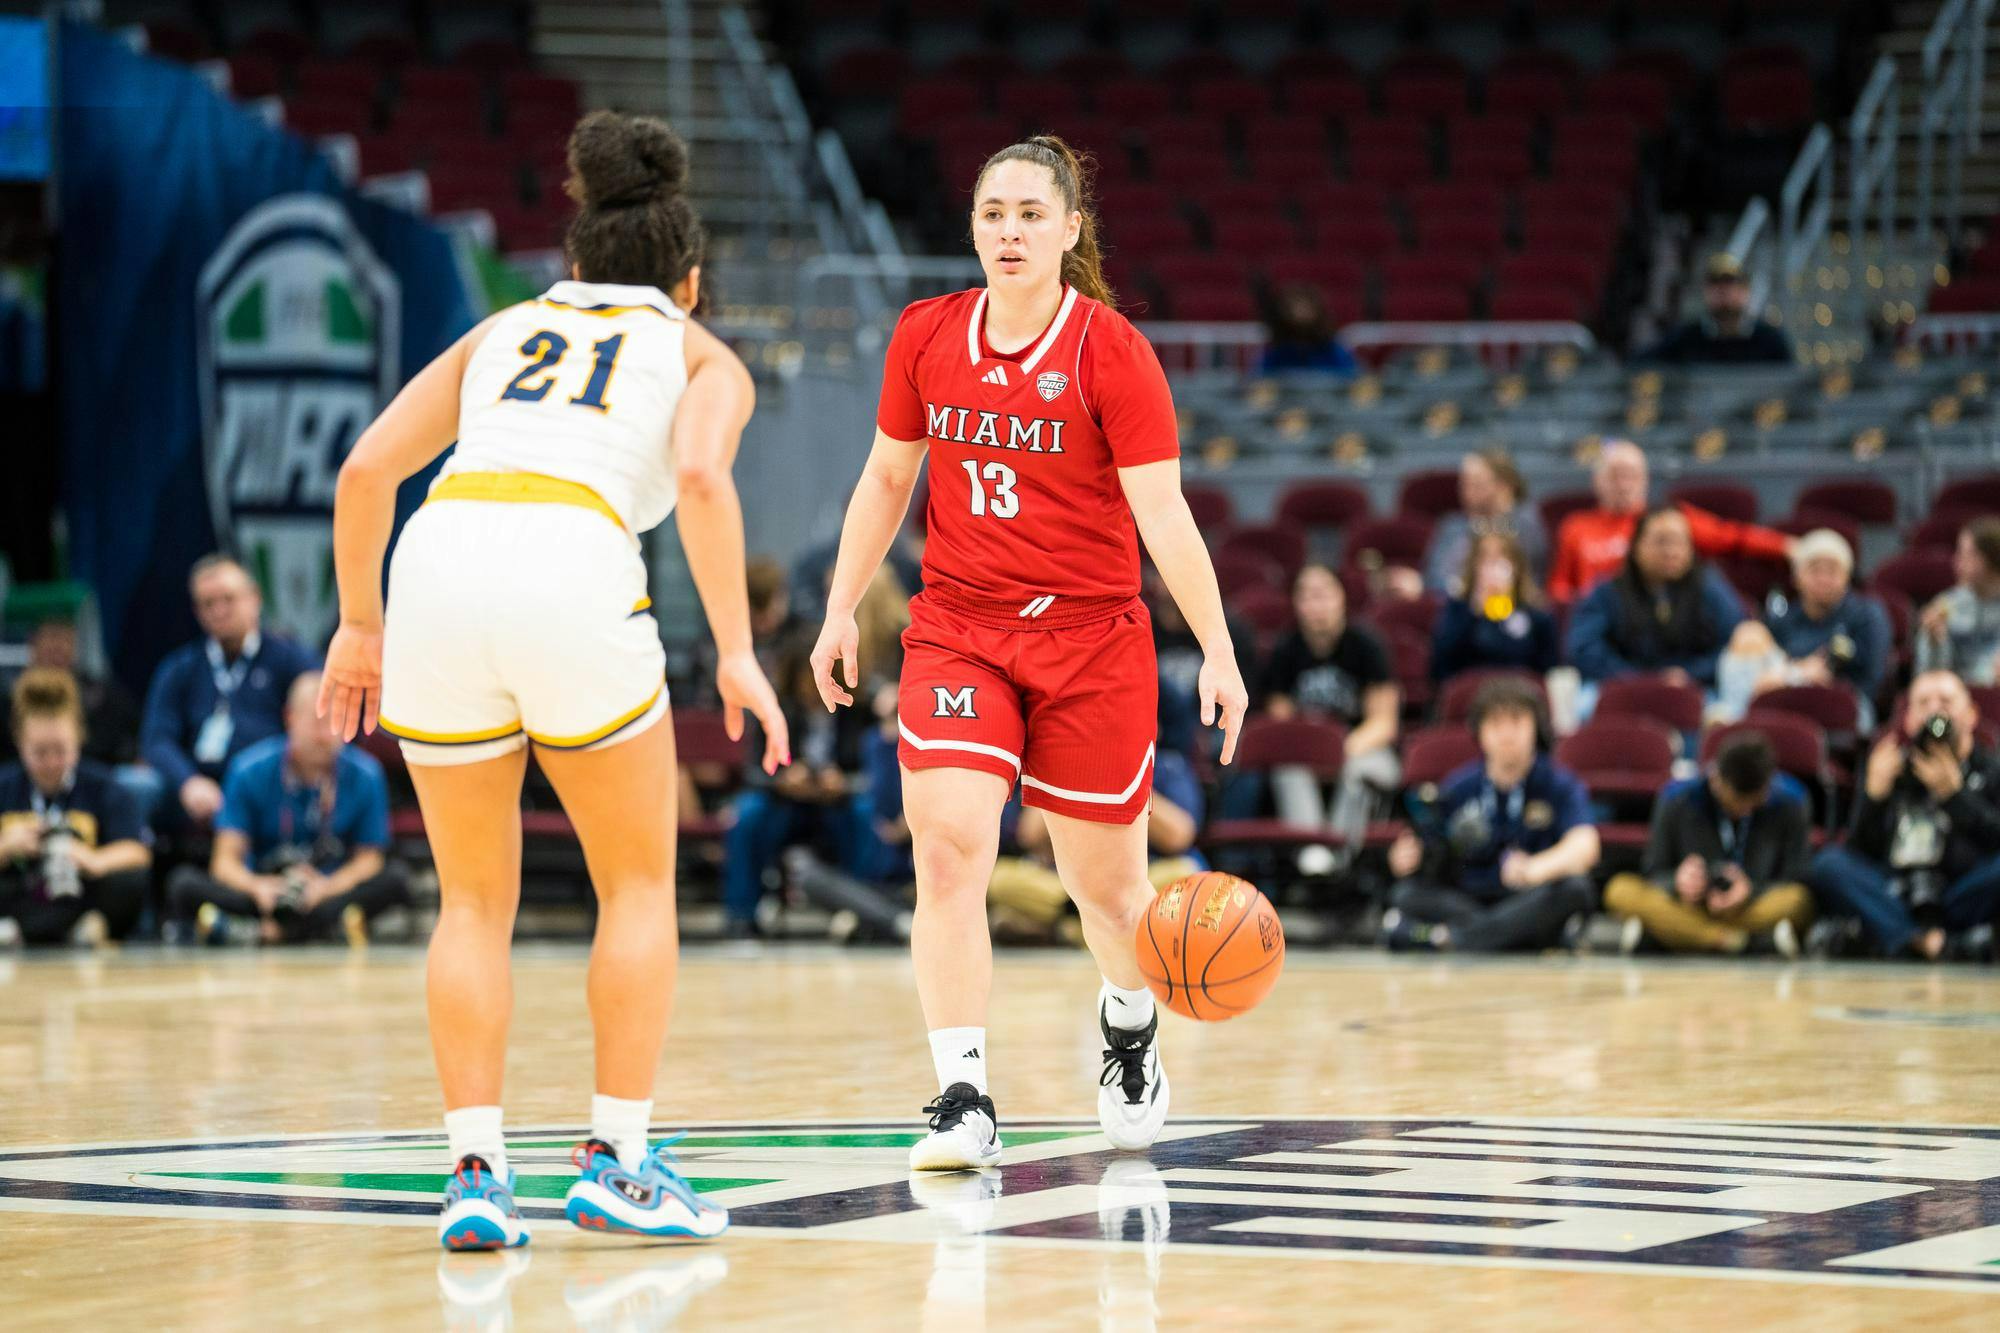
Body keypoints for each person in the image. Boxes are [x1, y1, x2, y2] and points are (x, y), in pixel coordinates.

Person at [317, 112, 788, 1250]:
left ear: (574, 265)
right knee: (633, 887)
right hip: (572, 563)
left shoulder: (502, 329)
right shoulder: (695, 351)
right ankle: (618, 1158)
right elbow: (698, 478)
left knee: (473, 900)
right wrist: (732, 650)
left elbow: (367, 467)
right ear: (688, 281)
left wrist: (357, 626)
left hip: (438, 560)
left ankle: (475, 1173)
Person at [806, 134, 1249, 1172]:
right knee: (947, 849)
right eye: (991, 213)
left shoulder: (1111, 352)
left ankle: (1129, 1025)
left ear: (1067, 230)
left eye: (1027, 214)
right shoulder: (925, 335)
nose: (1007, 231)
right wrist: (838, 609)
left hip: (1091, 639)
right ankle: (962, 1093)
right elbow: (883, 481)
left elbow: (1163, 514)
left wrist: (1219, 649)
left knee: (1107, 895)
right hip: (961, 628)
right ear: (972, 229)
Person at [166, 672, 409, 946]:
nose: (326, 733)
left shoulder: (365, 774)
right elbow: (224, 861)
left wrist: (326, 888)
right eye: (318, 721)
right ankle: (315, 927)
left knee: (397, 879)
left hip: (326, 888)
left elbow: (369, 860)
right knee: (183, 884)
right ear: (290, 717)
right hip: (264, 887)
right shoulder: (249, 770)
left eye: (337, 720)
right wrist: (258, 887)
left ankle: (263, 931)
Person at [1380, 675, 1600, 952]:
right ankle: (1517, 941)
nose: (1507, 734)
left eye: (1517, 722)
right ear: (1480, 732)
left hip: (1526, 894)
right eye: (1496, 724)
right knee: (1406, 894)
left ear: (1537, 728)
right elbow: (1432, 849)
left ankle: (1449, 939)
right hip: (1471, 896)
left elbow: (1586, 845)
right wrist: (1405, 857)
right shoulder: (1459, 786)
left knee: (1576, 889)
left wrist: (1536, 868)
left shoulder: (1558, 783)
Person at [1805, 670, 2000, 960]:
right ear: (1908, 719)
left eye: (1945, 701)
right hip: (1896, 891)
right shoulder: (1888, 765)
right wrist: (1873, 797)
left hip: (1962, 891)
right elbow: (1858, 850)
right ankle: (1929, 942)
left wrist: (1956, 797)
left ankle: (1894, 938)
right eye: (1923, 703)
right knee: (1828, 865)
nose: (1935, 711)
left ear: (1971, 714)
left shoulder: (1991, 768)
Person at [135, 555, 318, 829]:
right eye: (208, 603)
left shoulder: (290, 659)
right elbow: (157, 739)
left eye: (228, 599)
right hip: (198, 783)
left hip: (269, 783)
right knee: (135, 786)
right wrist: (187, 782)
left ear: (255, 598)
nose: (219, 611)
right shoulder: (180, 668)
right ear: (197, 611)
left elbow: (319, 720)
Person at [1602, 731, 1814, 955]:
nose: (1743, 811)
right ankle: (1742, 941)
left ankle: (1679, 936)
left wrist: (1751, 890)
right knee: (1619, 890)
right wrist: (1678, 880)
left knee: (1799, 900)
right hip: (1691, 905)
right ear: (1716, 780)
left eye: (1753, 805)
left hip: (1750, 905)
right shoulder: (1676, 797)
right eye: (1736, 803)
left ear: (1766, 790)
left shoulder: (1791, 801)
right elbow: (1654, 870)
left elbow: (1796, 876)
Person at [0, 669, 150, 947]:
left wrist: (92, 860)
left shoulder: (105, 786)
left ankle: (77, 927)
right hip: (20, 892)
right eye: (40, 752)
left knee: (130, 882)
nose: (51, 762)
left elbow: (137, 852)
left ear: (79, 738)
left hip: (79, 893)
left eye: (60, 750)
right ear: (20, 743)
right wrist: (6, 846)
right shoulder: (5, 785)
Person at [1253, 563, 1400, 844]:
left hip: (1360, 747)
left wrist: (1340, 750)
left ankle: (1338, 854)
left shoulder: (1367, 646)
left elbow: (1384, 723)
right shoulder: (1284, 651)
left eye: (1322, 594)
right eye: (1305, 596)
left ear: (1341, 597)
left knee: (1360, 772)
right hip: (1305, 751)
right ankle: (1312, 853)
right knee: (1288, 768)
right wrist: (1316, 752)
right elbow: (1281, 722)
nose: (1315, 604)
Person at [1546, 440, 1792, 601]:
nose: (1623, 485)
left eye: (1631, 476)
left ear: (1645, 480)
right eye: (1614, 476)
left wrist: (1789, 546)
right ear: (1597, 481)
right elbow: (1560, 588)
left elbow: (1732, 536)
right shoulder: (1576, 527)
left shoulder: (1668, 521)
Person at [1567, 505, 1746, 695]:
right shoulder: (1607, 592)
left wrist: (1691, 674)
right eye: (1661, 541)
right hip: (1621, 690)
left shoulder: (1710, 589)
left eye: (1680, 542)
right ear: (1636, 546)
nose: (1671, 551)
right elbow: (1584, 649)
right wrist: (1638, 680)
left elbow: (1736, 643)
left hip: (1698, 689)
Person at [1719, 528, 1890, 724]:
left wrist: (1805, 676)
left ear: (1847, 576)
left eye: (1833, 570)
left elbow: (1872, 679)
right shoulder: (1784, 619)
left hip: (1847, 704)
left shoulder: (1866, 615)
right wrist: (1799, 672)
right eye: (1815, 569)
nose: (1824, 578)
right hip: (1785, 699)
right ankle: (1734, 720)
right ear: (1797, 577)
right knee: (1749, 633)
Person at [0, 617, 140, 768]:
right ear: (33, 643)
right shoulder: (8, 696)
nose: (58, 647)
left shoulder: (100, 694)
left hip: (93, 776)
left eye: (65, 638)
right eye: (52, 637)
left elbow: (130, 738)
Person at [1429, 532, 1560, 684]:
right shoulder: (1458, 609)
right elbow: (1440, 666)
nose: (1493, 570)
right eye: (1486, 561)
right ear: (1474, 567)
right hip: (1470, 692)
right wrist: (1475, 611)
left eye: (1501, 560)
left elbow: (1548, 668)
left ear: (1516, 567)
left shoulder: (1536, 613)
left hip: (1520, 693)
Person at [1420, 448, 1548, 597]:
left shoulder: (1525, 526)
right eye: (1463, 483)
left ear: (1504, 486)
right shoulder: (1452, 525)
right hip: (1453, 604)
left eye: (1476, 483)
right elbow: (1432, 577)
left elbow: (1527, 581)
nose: (1465, 490)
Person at [1636, 252, 1793, 365]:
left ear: (1746, 291)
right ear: (1706, 291)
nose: (1723, 290)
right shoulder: (1686, 338)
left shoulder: (1770, 340)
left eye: (1730, 283)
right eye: (1715, 284)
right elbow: (1643, 363)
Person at [1915, 516, 2000, 687]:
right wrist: (1935, 641)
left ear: (1990, 557)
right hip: (1952, 697)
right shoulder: (1947, 604)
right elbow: (1929, 676)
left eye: (1965, 553)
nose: (1956, 561)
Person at [1256, 284, 1357, 376]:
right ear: (1283, 313)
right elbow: (1258, 381)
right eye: (1294, 307)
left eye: (1305, 307)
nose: (1300, 312)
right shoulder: (1277, 353)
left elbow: (1356, 379)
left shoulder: (1333, 351)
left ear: (1317, 311)